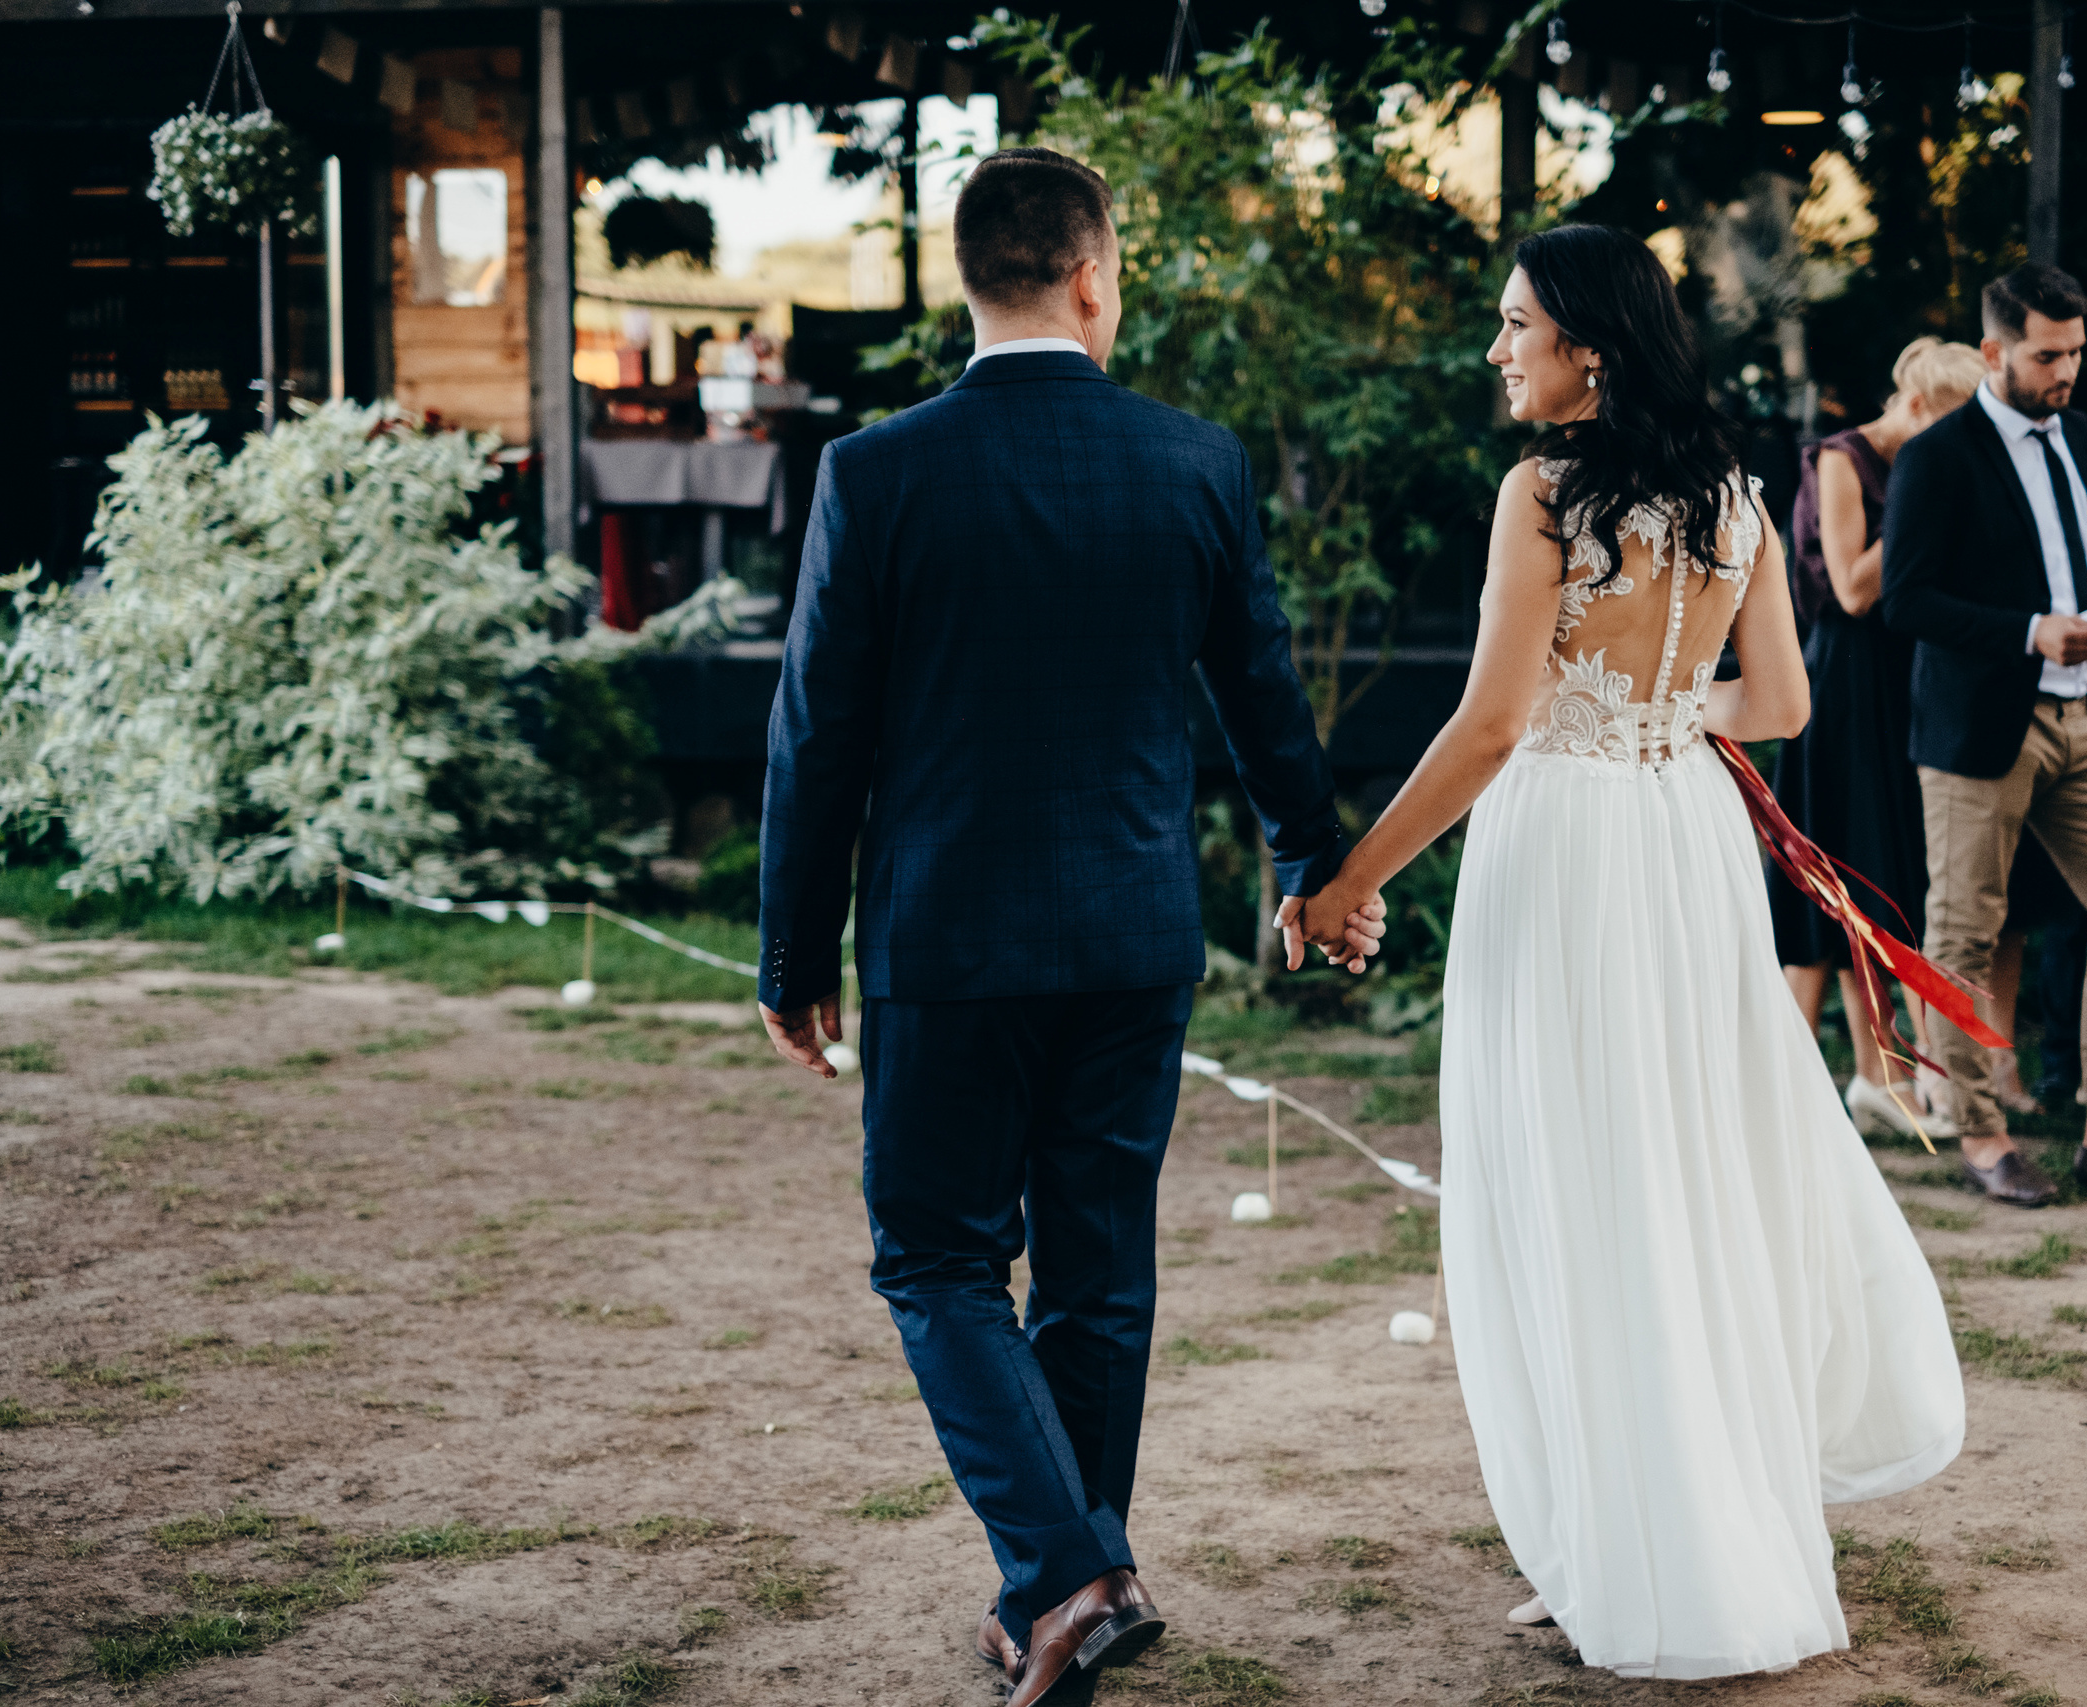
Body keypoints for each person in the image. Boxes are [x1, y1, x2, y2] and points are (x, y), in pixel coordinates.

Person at [753, 147, 1384, 1707]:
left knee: (936, 1256)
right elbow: (1260, 696)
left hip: (945, 943)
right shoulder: (1193, 461)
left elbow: (815, 736)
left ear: (973, 282)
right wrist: (1319, 860)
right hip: (1131, 933)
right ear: (1098, 272)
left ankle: (1068, 1574)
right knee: (1097, 1271)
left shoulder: (877, 471)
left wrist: (792, 954)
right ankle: (1064, 1585)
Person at [1293, 224, 1964, 1681]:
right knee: (1684, 1167)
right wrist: (1658, 713)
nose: (1497, 349)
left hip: (1572, 853)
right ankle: (1672, 1517)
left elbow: (1489, 722)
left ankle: (1628, 1531)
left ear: (1587, 343)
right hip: (1683, 844)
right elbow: (1778, 700)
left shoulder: (1542, 493)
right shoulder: (1733, 494)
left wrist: (1350, 871)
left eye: (1515, 324)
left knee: (1575, 1179)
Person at [1878, 263, 2087, 1207]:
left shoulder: (2082, 439)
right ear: (1993, 351)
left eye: (2076, 351)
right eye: (2046, 353)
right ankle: (1984, 1135)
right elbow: (1904, 598)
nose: (2068, 370)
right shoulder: (1937, 457)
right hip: (1983, 724)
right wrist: (2031, 630)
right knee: (1961, 933)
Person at [1772, 336, 1983, 1139]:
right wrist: (1931, 521)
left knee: (1892, 872)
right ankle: (1856, 1078)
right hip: (1848, 678)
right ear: (1920, 408)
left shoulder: (1930, 460)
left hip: (1910, 677)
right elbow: (1856, 588)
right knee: (1846, 867)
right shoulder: (1839, 457)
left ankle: (1882, 1078)